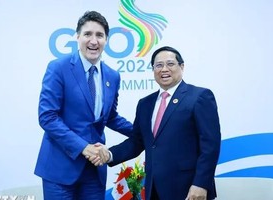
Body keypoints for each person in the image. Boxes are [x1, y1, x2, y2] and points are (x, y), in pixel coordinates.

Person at [93, 46, 221, 200]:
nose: (164, 69)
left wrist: (201, 184)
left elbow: (210, 146)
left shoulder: (199, 97)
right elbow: (137, 142)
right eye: (158, 65)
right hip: (154, 189)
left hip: (189, 189)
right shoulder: (145, 104)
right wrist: (109, 154)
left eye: (170, 64)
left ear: (182, 66)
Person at [34, 10, 133, 200]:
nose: (93, 41)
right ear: (77, 37)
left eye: (99, 35)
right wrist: (83, 147)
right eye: (88, 34)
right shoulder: (58, 68)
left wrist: (144, 130)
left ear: (106, 40)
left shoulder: (112, 75)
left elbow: (110, 117)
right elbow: (47, 117)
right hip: (60, 168)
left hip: (93, 170)